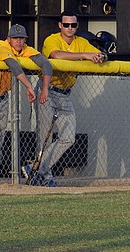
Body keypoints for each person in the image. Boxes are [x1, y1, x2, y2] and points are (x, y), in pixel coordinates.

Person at [23, 11, 106, 187]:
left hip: (65, 94)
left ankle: (36, 169)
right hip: (48, 90)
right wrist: (85, 55)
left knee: (68, 138)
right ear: (60, 25)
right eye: (66, 25)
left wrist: (100, 56)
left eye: (73, 25)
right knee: (44, 137)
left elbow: (99, 54)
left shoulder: (81, 42)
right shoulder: (51, 39)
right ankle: (44, 177)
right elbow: (56, 55)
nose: (70, 28)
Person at [0, 24, 52, 186]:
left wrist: (44, 89)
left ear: (25, 39)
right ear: (9, 39)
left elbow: (46, 64)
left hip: (3, 98)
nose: (18, 41)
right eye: (15, 38)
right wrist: (29, 86)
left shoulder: (25, 49)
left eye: (21, 38)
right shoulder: (1, 46)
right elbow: (13, 64)